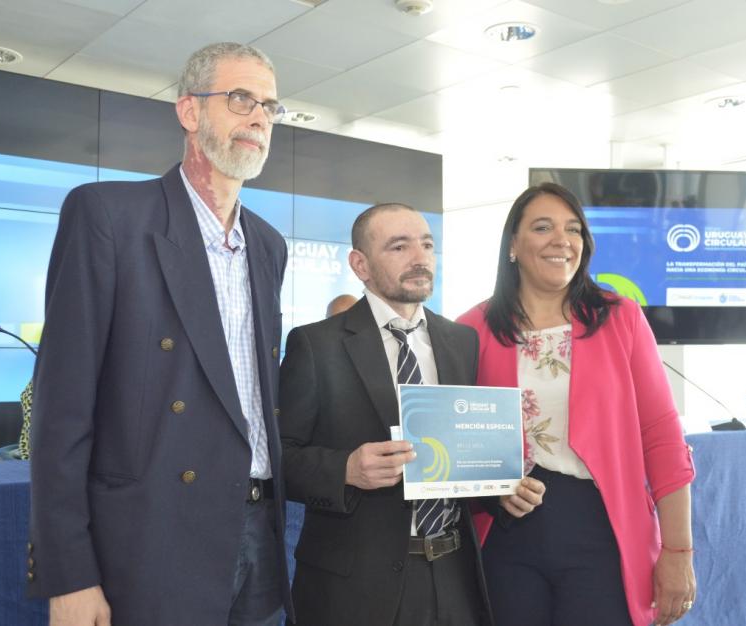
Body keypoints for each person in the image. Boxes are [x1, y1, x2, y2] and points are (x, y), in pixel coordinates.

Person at [28, 42, 293, 626]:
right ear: (190, 112)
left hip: (256, 538)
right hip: (152, 542)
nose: (259, 118)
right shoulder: (108, 217)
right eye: (241, 99)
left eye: (270, 107)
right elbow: (61, 410)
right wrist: (69, 573)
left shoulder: (269, 245)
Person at [279, 203, 545, 626]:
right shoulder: (316, 345)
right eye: (399, 247)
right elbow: (279, 458)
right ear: (360, 264)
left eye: (426, 245)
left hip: (453, 574)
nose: (420, 258)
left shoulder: (461, 340)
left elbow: (457, 458)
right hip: (353, 588)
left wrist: (500, 489)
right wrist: (345, 468)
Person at [456, 182, 696, 626]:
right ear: (513, 245)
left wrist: (678, 551)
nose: (560, 240)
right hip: (506, 534)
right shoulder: (471, 329)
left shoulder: (620, 318)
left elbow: (661, 437)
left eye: (573, 229)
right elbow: (452, 443)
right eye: (542, 227)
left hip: (601, 528)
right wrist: (491, 487)